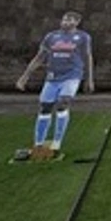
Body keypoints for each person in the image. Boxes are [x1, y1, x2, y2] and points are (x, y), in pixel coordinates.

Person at [15, 11, 94, 159]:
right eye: (64, 18)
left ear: (77, 22)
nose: (65, 21)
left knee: (63, 103)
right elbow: (39, 57)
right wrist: (24, 76)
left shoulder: (82, 37)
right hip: (52, 77)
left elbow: (87, 56)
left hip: (72, 75)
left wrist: (89, 79)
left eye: (70, 19)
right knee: (45, 107)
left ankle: (57, 142)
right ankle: (38, 143)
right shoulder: (51, 37)